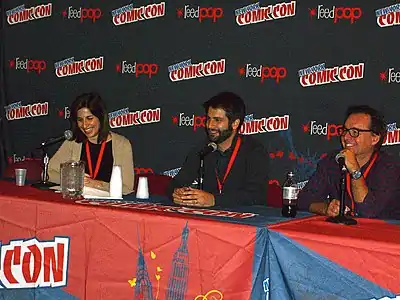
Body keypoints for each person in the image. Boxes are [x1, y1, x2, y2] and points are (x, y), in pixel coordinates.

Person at [298, 105, 400, 219]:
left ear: (374, 138)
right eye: (345, 130)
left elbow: (368, 211)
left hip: (382, 233)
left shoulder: (389, 167)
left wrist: (355, 170)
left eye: (355, 132)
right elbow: (303, 199)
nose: (346, 137)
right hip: (343, 233)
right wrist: (326, 208)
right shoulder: (333, 160)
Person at [170, 92, 269, 208]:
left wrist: (214, 200)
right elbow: (176, 182)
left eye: (217, 120)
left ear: (235, 124)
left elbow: (256, 196)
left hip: (243, 221)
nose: (210, 125)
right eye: (208, 119)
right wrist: (177, 192)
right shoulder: (203, 149)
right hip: (209, 219)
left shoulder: (254, 150)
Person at [48, 92, 134, 194]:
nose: (84, 125)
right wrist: (73, 179)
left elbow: (127, 188)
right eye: (80, 120)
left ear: (101, 117)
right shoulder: (73, 142)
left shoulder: (121, 144)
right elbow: (49, 174)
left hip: (108, 206)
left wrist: (95, 184)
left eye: (89, 118)